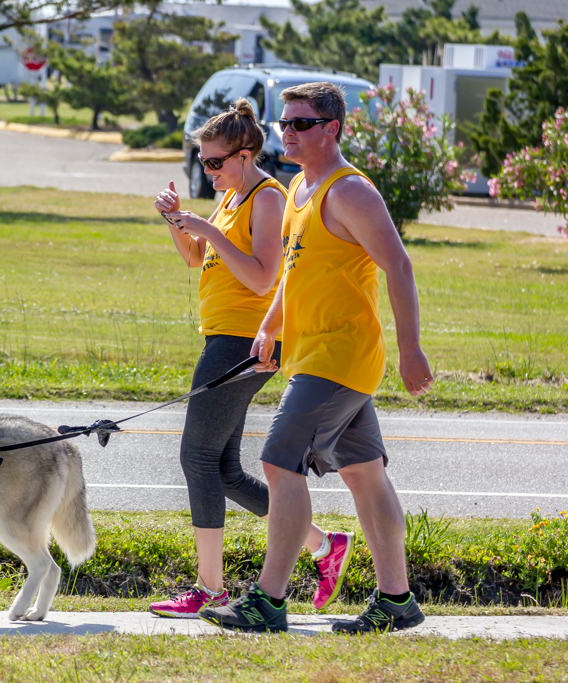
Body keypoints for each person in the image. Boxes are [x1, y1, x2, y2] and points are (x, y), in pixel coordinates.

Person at [200, 82, 434, 634]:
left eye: (301, 123)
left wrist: (410, 348)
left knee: (279, 464)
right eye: (285, 123)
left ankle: (268, 600)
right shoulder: (302, 188)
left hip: (340, 355)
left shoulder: (350, 192)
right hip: (315, 354)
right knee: (364, 475)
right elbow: (295, 271)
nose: (287, 132)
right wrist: (269, 325)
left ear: (331, 129)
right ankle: (396, 600)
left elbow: (398, 266)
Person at [148, 98, 351, 620]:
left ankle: (210, 588)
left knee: (196, 457)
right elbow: (197, 258)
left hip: (243, 341)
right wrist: (177, 222)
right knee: (225, 469)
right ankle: (324, 547)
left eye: (215, 162)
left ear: (245, 153)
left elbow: (264, 277)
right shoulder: (233, 197)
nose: (207, 170)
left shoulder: (265, 197)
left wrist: (210, 229)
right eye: (202, 162)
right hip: (224, 336)